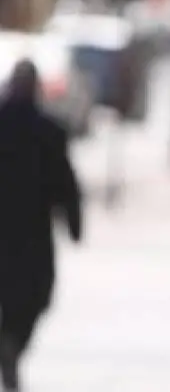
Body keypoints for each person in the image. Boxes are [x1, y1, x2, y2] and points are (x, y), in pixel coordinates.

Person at [0, 61, 83, 392]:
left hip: (19, 230)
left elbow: (65, 180)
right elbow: (67, 184)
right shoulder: (50, 130)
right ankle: (12, 344)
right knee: (34, 296)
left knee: (27, 296)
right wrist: (74, 222)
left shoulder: (48, 131)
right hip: (33, 234)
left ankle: (9, 345)